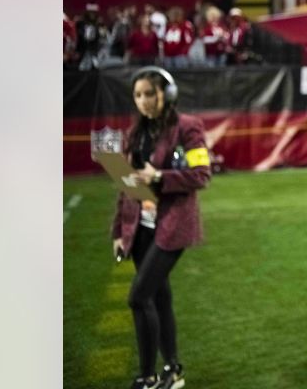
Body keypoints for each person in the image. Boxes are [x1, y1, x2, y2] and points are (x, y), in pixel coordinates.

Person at [111, 67, 212, 389]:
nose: (143, 101)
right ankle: (173, 370)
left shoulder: (187, 127)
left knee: (138, 298)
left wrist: (158, 177)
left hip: (172, 225)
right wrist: (118, 231)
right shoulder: (135, 133)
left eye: (150, 94)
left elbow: (201, 175)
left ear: (166, 95)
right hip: (140, 226)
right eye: (138, 95)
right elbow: (125, 186)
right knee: (158, 296)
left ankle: (147, 376)